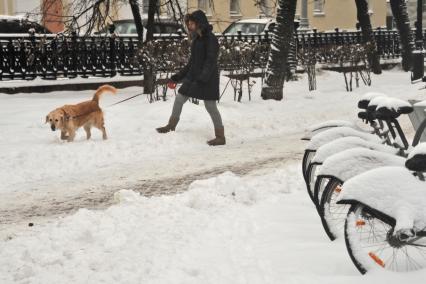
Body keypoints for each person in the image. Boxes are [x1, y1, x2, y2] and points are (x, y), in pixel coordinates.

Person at [156, 10, 225, 146]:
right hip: (194, 77)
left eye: (192, 24)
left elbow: (210, 61)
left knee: (210, 106)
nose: (190, 26)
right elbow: (191, 63)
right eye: (189, 24)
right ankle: (171, 125)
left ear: (200, 23)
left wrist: (202, 78)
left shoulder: (211, 40)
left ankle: (220, 137)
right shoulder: (197, 40)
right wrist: (177, 77)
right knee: (179, 98)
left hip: (208, 79)